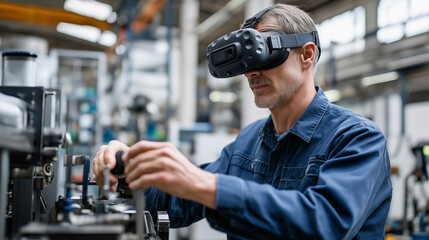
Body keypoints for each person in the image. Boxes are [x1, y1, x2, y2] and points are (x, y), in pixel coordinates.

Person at [93, 4, 392, 239]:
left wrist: (208, 185)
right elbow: (177, 204)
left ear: (306, 55)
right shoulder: (248, 142)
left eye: (264, 53)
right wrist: (128, 171)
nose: (251, 72)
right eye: (246, 62)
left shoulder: (357, 138)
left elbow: (326, 223)